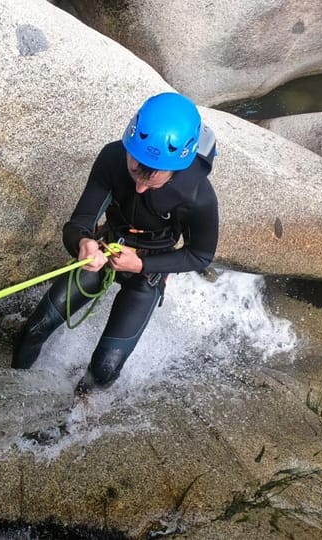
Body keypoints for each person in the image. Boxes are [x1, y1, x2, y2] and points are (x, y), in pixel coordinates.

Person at [11, 92, 219, 394]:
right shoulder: (112, 158)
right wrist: (84, 243)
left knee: (106, 368)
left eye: (152, 181)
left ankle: (76, 414)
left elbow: (201, 256)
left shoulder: (198, 196)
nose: (139, 186)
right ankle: (12, 393)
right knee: (35, 329)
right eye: (135, 170)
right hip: (106, 247)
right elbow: (79, 222)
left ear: (179, 167)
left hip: (149, 269)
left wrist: (142, 265)